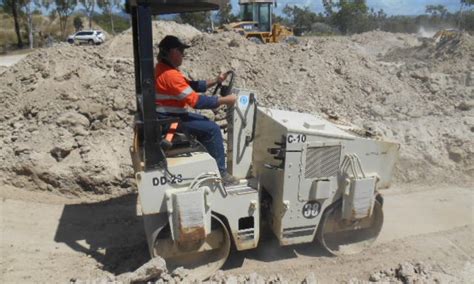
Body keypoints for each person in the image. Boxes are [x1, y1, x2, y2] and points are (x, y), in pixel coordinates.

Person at [154, 35, 239, 186]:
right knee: (212, 129)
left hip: (169, 116)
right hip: (171, 120)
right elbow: (195, 101)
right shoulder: (170, 75)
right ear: (172, 52)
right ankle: (221, 173)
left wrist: (216, 80)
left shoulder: (164, 69)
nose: (183, 54)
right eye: (180, 50)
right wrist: (226, 100)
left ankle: (208, 164)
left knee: (205, 123)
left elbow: (193, 86)